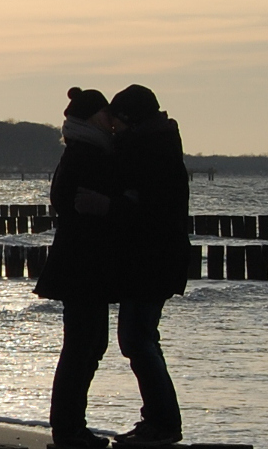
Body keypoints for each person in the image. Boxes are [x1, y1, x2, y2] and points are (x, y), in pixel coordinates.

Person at [77, 84, 190, 446]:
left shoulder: (151, 151)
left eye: (118, 122)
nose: (114, 129)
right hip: (153, 261)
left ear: (130, 120)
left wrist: (109, 205)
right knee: (140, 340)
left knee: (138, 340)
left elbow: (154, 214)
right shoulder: (155, 144)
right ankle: (157, 420)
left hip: (152, 261)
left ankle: (163, 422)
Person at [33, 87, 124, 449]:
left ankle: (71, 426)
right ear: (90, 119)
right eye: (105, 116)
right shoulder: (88, 154)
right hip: (83, 265)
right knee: (83, 346)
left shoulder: (80, 151)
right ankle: (70, 428)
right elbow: (77, 207)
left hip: (81, 264)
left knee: (86, 344)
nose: (112, 123)